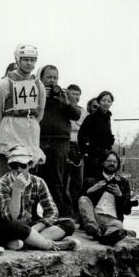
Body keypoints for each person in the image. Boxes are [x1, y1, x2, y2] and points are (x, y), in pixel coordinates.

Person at [0, 145, 77, 252]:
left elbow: (52, 212)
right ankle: (49, 245)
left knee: (69, 223)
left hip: (29, 227)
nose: (18, 169)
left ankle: (28, 242)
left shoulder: (38, 182)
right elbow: (11, 218)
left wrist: (35, 229)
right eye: (14, 165)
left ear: (30, 165)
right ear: (9, 166)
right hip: (7, 227)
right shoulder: (1, 184)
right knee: (18, 225)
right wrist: (16, 191)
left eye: (22, 165)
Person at [0, 43, 46, 180]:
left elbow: (40, 111)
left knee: (28, 173)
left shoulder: (39, 85)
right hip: (10, 130)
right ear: (18, 60)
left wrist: (29, 124)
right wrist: (4, 128)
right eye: (25, 59)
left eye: (32, 60)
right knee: (7, 174)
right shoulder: (4, 84)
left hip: (29, 131)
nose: (29, 63)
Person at [38, 65, 82, 217]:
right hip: (39, 141)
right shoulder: (36, 92)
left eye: (55, 77)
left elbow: (77, 114)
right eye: (49, 77)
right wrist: (41, 95)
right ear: (41, 78)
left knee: (58, 180)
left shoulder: (64, 94)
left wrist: (66, 103)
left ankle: (62, 215)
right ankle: (34, 214)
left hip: (60, 142)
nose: (52, 80)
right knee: (36, 179)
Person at [78, 150, 137, 245]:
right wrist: (91, 190)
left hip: (112, 220)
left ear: (118, 165)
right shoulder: (90, 180)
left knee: (117, 226)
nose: (112, 164)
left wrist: (120, 195)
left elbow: (127, 211)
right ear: (103, 162)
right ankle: (93, 229)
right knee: (83, 199)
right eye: (109, 161)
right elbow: (79, 203)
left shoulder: (123, 183)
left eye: (115, 162)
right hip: (94, 217)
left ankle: (104, 236)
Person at [78, 90, 115, 178]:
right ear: (99, 102)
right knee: (92, 179)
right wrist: (85, 151)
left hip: (105, 154)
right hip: (93, 155)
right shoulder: (91, 117)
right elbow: (81, 134)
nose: (106, 103)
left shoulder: (108, 117)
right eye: (103, 100)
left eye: (109, 101)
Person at [65, 83, 86, 214]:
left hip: (78, 147)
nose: (75, 96)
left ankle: (76, 211)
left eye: (78, 94)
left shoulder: (83, 111)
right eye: (73, 93)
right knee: (64, 179)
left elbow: (80, 124)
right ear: (67, 94)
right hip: (65, 144)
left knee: (77, 180)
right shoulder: (63, 107)